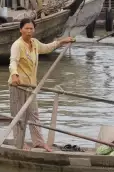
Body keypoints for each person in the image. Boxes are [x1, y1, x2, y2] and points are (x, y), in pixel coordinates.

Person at [9, 18, 74, 152]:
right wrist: (14, 74)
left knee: (34, 115)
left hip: (31, 87)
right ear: (20, 30)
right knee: (18, 116)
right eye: (26, 28)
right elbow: (13, 62)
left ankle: (38, 142)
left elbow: (47, 47)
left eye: (31, 28)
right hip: (18, 85)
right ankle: (19, 143)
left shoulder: (35, 43)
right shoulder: (17, 45)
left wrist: (62, 41)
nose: (29, 31)